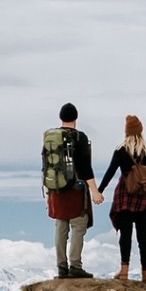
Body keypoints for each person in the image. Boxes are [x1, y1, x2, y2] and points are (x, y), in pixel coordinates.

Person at [98, 114, 146, 285]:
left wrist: (99, 191)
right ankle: (145, 275)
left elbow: (110, 172)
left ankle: (124, 271)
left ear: (126, 132)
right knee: (144, 238)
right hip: (144, 199)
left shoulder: (120, 150)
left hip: (124, 198)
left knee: (125, 235)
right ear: (141, 131)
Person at [44, 102, 103, 278]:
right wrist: (95, 191)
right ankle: (75, 266)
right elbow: (85, 168)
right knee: (78, 225)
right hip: (75, 190)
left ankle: (61, 267)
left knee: (61, 226)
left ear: (61, 118)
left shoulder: (50, 138)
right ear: (76, 118)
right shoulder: (80, 138)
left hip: (56, 189)